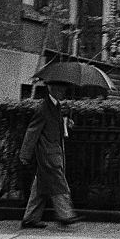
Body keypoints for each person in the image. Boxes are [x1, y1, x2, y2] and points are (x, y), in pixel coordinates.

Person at [18, 82, 79, 228]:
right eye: (60, 89)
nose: (63, 91)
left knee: (40, 186)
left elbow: (55, 128)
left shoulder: (56, 106)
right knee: (59, 183)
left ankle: (30, 219)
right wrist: (25, 155)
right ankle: (65, 214)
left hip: (54, 152)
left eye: (63, 89)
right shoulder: (44, 108)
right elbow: (32, 131)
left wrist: (66, 123)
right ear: (52, 89)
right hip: (48, 154)